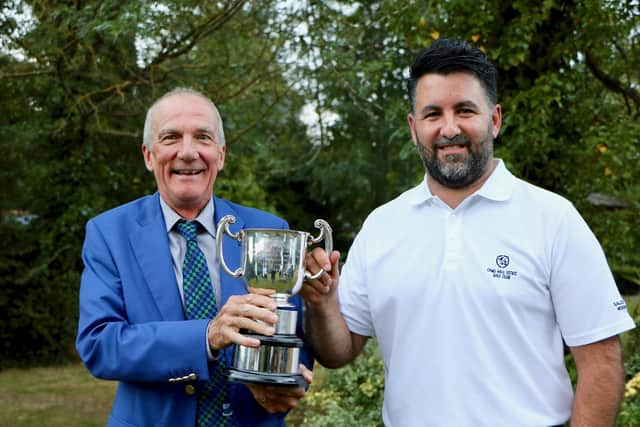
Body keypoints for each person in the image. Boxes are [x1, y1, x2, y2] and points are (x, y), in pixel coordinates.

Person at [301, 38, 636, 426]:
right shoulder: (382, 226)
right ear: (414, 128)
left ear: (493, 119)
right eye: (432, 114)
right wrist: (321, 303)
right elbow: (341, 350)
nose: (449, 128)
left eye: (464, 110)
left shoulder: (553, 219)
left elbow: (601, 362)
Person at [76, 87, 313, 427]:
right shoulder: (109, 233)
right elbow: (100, 344)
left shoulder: (269, 228)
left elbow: (293, 336)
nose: (188, 152)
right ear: (147, 155)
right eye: (171, 137)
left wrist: (284, 381)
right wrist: (206, 336)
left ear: (221, 153)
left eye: (202, 137)